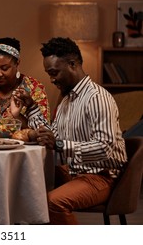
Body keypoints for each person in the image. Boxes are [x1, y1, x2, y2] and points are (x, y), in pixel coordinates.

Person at [11, 37, 127, 224]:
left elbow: (105, 148)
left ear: (72, 64)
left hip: (101, 177)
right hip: (74, 171)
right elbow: (53, 133)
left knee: (52, 202)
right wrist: (31, 107)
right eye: (49, 73)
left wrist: (58, 145)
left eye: (54, 72)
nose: (52, 79)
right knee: (21, 183)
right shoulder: (67, 98)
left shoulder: (96, 98)